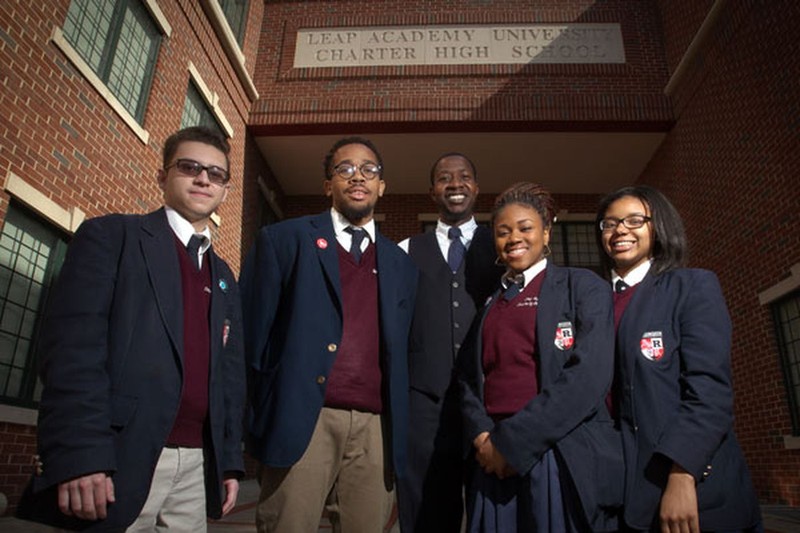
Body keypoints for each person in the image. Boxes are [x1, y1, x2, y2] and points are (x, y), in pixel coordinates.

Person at [16, 126, 246, 531]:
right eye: (189, 166)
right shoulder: (111, 237)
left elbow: (228, 376)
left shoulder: (223, 274)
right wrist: (80, 454)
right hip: (120, 456)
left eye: (216, 173)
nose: (203, 178)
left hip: (196, 465)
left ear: (225, 189)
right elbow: (73, 353)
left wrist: (228, 461)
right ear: (162, 176)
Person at [240, 136, 418, 533]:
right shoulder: (284, 240)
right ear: (328, 185)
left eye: (369, 170)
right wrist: (256, 417)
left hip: (376, 429)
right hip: (303, 418)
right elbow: (251, 339)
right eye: (345, 169)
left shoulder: (401, 265)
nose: (358, 177)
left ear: (381, 186)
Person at [595, 185, 762, 533]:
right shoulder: (592, 303)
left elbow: (709, 393)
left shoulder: (692, 287)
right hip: (617, 493)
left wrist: (683, 473)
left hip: (687, 489)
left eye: (634, 220)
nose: (620, 230)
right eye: (609, 224)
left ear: (659, 227)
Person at [457, 182, 622, 532]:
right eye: (503, 232)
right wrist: (483, 437)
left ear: (547, 232)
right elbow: (469, 380)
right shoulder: (489, 305)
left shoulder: (583, 286)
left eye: (525, 228)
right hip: (493, 460)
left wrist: (513, 443)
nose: (514, 237)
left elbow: (588, 376)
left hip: (555, 453)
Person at [397, 152, 503, 532]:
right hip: (424, 409)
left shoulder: (503, 248)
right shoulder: (407, 251)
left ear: (476, 187)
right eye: (444, 178)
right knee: (427, 515)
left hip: (490, 406)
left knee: (491, 511)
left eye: (463, 177)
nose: (454, 184)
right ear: (432, 192)